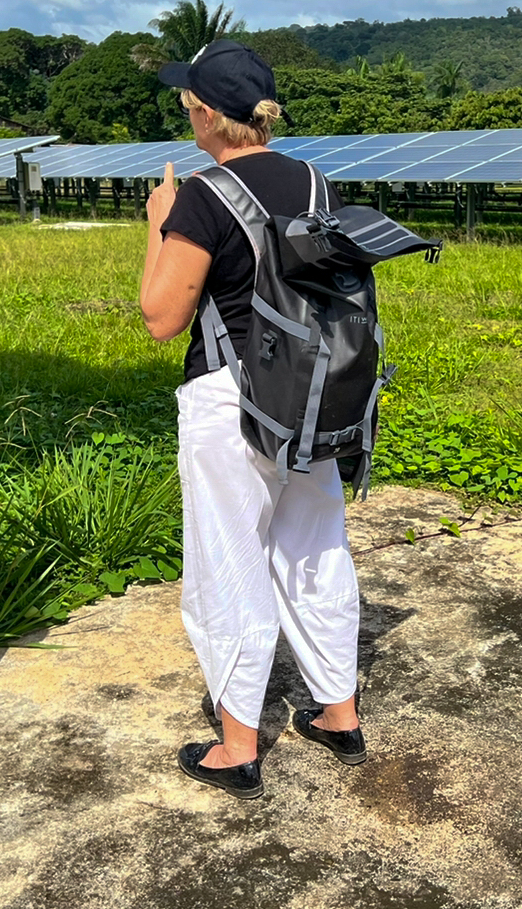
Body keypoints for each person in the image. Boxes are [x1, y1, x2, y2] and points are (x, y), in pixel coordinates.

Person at [140, 40, 364, 801]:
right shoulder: (314, 182)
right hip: (310, 399)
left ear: (206, 113)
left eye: (188, 106)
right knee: (313, 547)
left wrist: (158, 225)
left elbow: (163, 317)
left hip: (229, 403)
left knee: (228, 560)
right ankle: (338, 711)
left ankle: (238, 744)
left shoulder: (202, 195)